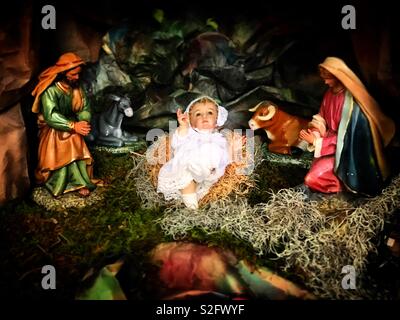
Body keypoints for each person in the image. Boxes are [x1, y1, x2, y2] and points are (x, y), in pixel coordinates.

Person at [299, 57, 396, 196]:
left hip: (348, 153)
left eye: (328, 78)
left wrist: (317, 142)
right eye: (324, 78)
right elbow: (322, 117)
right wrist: (315, 131)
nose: (325, 82)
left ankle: (345, 187)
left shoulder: (352, 105)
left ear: (339, 76)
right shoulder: (329, 94)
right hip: (331, 147)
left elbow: (350, 138)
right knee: (310, 178)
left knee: (312, 178)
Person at [31, 52, 99, 197]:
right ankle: (59, 181)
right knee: (68, 144)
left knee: (76, 141)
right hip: (54, 129)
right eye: (73, 74)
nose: (77, 77)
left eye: (78, 74)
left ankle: (80, 181)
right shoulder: (50, 91)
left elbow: (85, 107)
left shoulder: (77, 89)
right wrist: (73, 126)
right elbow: (51, 115)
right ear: (63, 73)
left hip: (73, 125)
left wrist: (83, 121)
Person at [157, 96, 231, 209]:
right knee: (185, 180)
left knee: (213, 154)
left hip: (209, 172)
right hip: (189, 168)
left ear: (217, 120)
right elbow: (177, 143)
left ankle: (205, 188)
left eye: (210, 113)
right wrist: (183, 127)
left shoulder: (218, 137)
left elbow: (225, 155)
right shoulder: (189, 133)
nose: (204, 116)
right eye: (198, 114)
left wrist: (234, 147)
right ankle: (193, 210)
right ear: (191, 121)